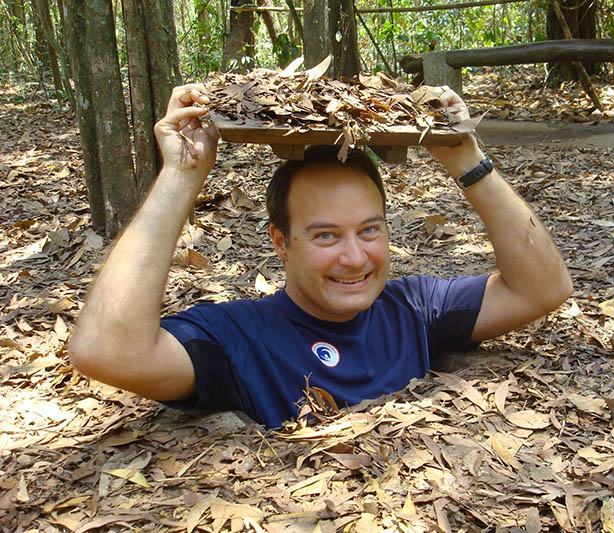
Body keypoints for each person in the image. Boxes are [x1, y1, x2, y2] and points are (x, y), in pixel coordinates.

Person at [69, 84, 573, 428]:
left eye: (369, 230)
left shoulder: (416, 309)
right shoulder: (241, 339)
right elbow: (107, 352)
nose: (355, 258)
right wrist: (180, 178)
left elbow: (543, 288)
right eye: (326, 236)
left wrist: (467, 157)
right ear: (281, 243)